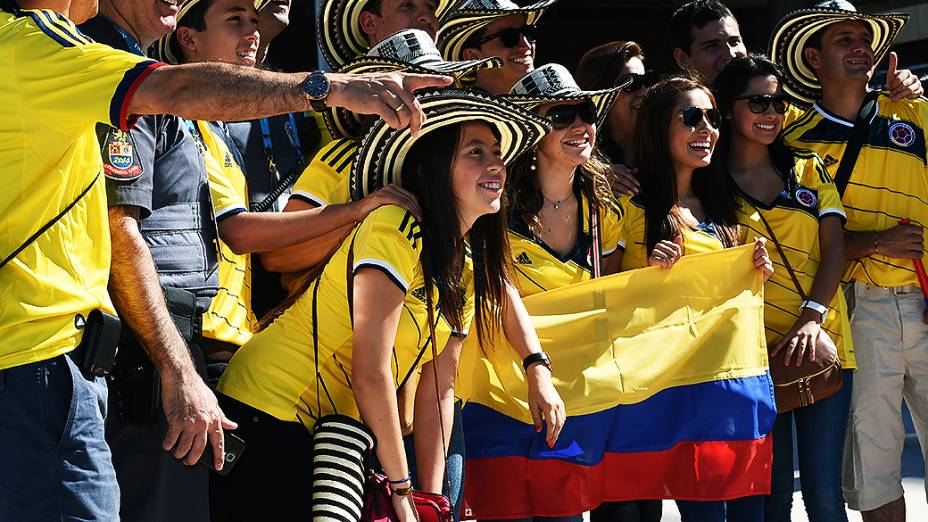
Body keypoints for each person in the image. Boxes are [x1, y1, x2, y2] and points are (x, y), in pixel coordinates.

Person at [0, 0, 449, 511]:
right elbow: (128, 218)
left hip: (67, 360)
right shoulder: (45, 45)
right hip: (55, 362)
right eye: (235, 18)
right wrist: (334, 88)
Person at [211, 88, 562, 521]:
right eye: (475, 152)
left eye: (496, 151)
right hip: (267, 412)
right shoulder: (392, 226)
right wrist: (401, 489)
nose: (495, 165)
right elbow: (371, 372)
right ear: (432, 168)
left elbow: (440, 389)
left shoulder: (468, 264)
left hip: (330, 433)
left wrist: (434, 502)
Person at [771, 2, 928, 521]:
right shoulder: (790, 141)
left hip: (926, 301)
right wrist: (875, 241)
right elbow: (805, 243)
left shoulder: (914, 112)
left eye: (865, 37)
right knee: (874, 465)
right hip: (855, 309)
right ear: (813, 57)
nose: (860, 45)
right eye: (844, 39)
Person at [77, 0, 226, 518]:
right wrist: (178, 371)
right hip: (143, 339)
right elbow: (120, 233)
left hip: (158, 333)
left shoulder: (135, 68)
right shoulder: (115, 73)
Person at [495, 63, 647, 522]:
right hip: (511, 393)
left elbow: (613, 296)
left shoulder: (606, 208)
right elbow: (495, 298)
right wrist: (536, 370)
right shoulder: (493, 210)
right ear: (529, 129)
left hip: (589, 394)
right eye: (562, 115)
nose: (581, 124)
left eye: (585, 112)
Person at [619, 76, 773, 522]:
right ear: (657, 129)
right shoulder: (631, 207)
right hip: (674, 396)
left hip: (732, 391)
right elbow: (606, 295)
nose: (706, 128)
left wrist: (754, 273)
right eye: (691, 117)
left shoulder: (724, 207)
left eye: (712, 117)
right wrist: (647, 273)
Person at [714, 54, 856, 522]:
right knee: (770, 497)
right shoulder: (707, 182)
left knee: (823, 494)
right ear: (727, 108)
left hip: (821, 344)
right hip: (750, 359)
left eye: (778, 102)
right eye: (757, 101)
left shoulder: (809, 167)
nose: (771, 112)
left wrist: (812, 317)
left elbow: (834, 247)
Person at [671, 0, 923, 103]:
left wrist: (905, 90)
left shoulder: (787, 110)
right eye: (712, 46)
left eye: (735, 42)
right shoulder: (668, 120)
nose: (731, 53)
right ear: (682, 59)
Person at [576, 40, 656, 197]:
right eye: (631, 83)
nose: (644, 92)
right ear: (600, 93)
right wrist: (593, 177)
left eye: (646, 81)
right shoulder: (578, 169)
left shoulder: (668, 152)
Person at [438, 0, 558, 95]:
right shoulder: (460, 121)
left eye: (528, 32)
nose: (525, 45)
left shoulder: (551, 109)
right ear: (472, 56)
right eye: (509, 37)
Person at [318, 0, 458, 70]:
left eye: (430, 8)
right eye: (407, 5)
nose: (426, 17)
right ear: (369, 23)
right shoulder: (335, 99)